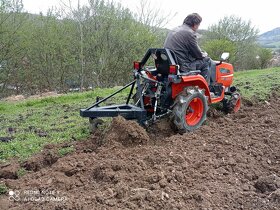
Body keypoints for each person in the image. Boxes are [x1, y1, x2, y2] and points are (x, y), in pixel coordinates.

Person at [164, 13, 211, 84]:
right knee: (207, 61)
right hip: (182, 66)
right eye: (198, 25)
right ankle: (205, 87)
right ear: (195, 24)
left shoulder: (174, 29)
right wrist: (204, 54)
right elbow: (197, 55)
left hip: (170, 62)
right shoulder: (190, 33)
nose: (198, 28)